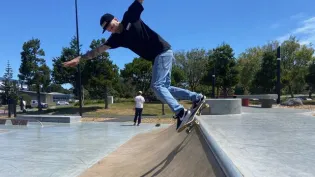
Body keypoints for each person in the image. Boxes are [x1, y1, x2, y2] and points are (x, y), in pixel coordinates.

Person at [63, 0, 205, 130]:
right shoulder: (115, 39)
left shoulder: (130, 16)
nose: (110, 28)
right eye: (107, 28)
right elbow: (98, 50)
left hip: (161, 51)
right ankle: (196, 97)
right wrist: (79, 59)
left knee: (157, 86)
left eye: (109, 24)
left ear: (115, 19)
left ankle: (180, 112)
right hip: (158, 56)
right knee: (164, 88)